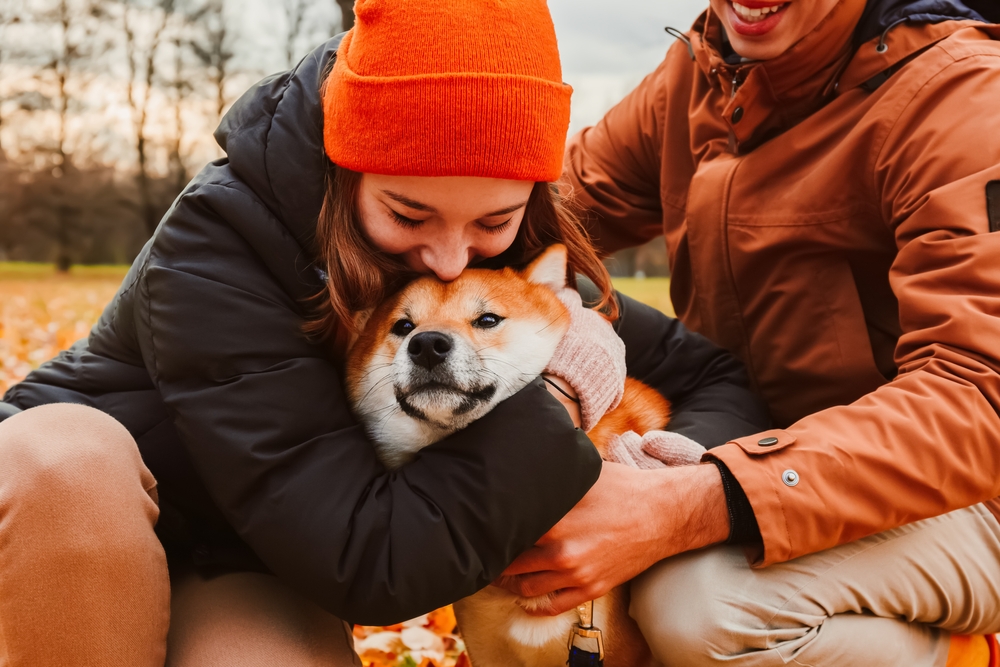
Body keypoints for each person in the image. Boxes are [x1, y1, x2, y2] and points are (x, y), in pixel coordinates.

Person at [0, 1, 768, 665]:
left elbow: (710, 375)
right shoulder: (215, 253)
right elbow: (374, 559)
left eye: (493, 220)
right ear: (346, 167)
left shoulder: (509, 273)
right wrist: (562, 393)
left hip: (246, 557)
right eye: (407, 214)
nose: (448, 256)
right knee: (64, 454)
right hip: (64, 533)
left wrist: (658, 486)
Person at [496, 0, 1000, 665]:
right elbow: (535, 214)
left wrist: (692, 504)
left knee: (700, 606)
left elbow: (976, 399)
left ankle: (957, 655)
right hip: (760, 462)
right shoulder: (700, 72)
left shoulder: (965, 98)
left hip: (961, 498)